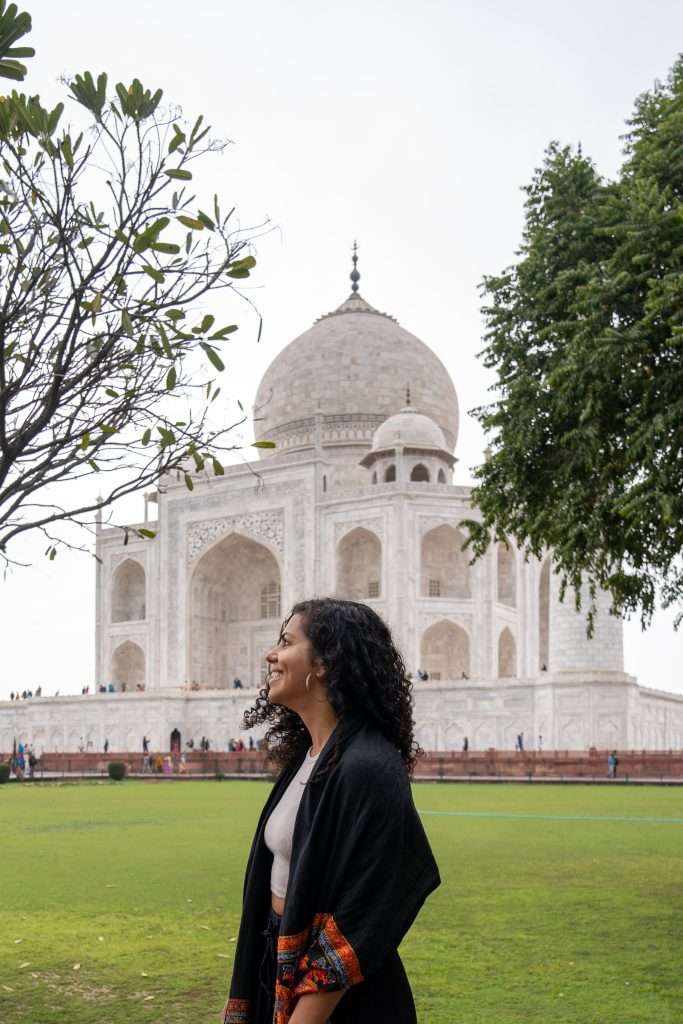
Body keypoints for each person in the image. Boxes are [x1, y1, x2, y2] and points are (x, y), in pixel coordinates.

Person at [221, 598, 440, 1024]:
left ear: (323, 663)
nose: (271, 654)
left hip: (342, 1003)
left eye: (286, 642)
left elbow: (366, 909)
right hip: (283, 971)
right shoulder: (309, 758)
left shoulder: (368, 766)